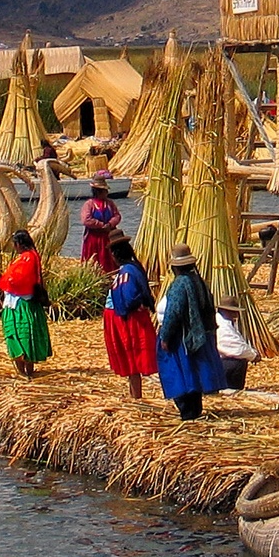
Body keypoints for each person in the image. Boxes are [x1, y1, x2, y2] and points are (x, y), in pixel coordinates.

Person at [156, 242, 225, 421]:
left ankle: (187, 412)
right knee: (194, 374)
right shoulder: (198, 280)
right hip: (199, 333)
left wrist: (165, 336)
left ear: (174, 267)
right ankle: (195, 410)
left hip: (182, 337)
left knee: (181, 374)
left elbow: (174, 312)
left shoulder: (180, 284)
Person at [101, 235, 157, 400]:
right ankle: (134, 395)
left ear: (116, 254)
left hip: (125, 320)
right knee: (131, 360)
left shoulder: (128, 271)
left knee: (132, 359)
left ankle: (136, 397)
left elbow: (131, 297)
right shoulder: (132, 268)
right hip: (122, 317)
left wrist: (131, 307)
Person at [0, 228, 52, 379]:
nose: (14, 248)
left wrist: (7, 280)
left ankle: (23, 371)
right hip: (24, 301)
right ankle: (28, 370)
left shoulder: (27, 257)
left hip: (20, 303)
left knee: (20, 334)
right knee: (28, 335)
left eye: (15, 244)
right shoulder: (33, 255)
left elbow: (17, 279)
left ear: (19, 244)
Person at [79, 173, 120, 273]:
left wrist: (110, 224)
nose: (106, 193)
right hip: (94, 239)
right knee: (95, 260)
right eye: (104, 191)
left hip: (108, 237)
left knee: (109, 259)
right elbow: (86, 219)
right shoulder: (90, 204)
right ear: (98, 191)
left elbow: (117, 215)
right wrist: (101, 225)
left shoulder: (109, 203)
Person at [215, 300, 257, 393]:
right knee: (238, 362)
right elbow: (237, 349)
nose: (236, 315)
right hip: (218, 365)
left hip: (218, 363)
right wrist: (253, 355)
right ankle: (230, 387)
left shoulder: (226, 323)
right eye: (233, 312)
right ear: (225, 311)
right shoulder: (222, 326)